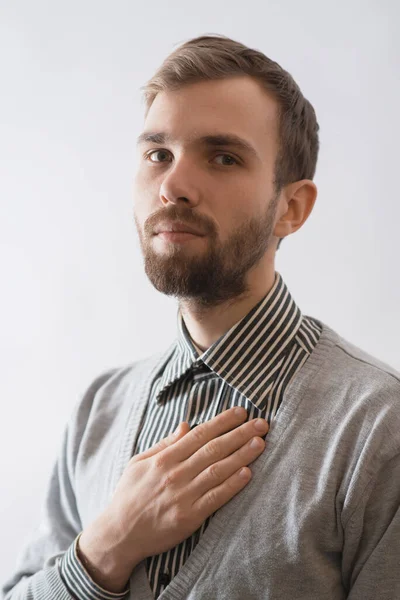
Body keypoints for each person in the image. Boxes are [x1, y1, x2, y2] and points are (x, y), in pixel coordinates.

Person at [2, 33, 400, 600]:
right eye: (158, 154)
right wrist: (104, 551)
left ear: (292, 208)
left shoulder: (379, 429)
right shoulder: (99, 411)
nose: (173, 186)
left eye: (223, 157)